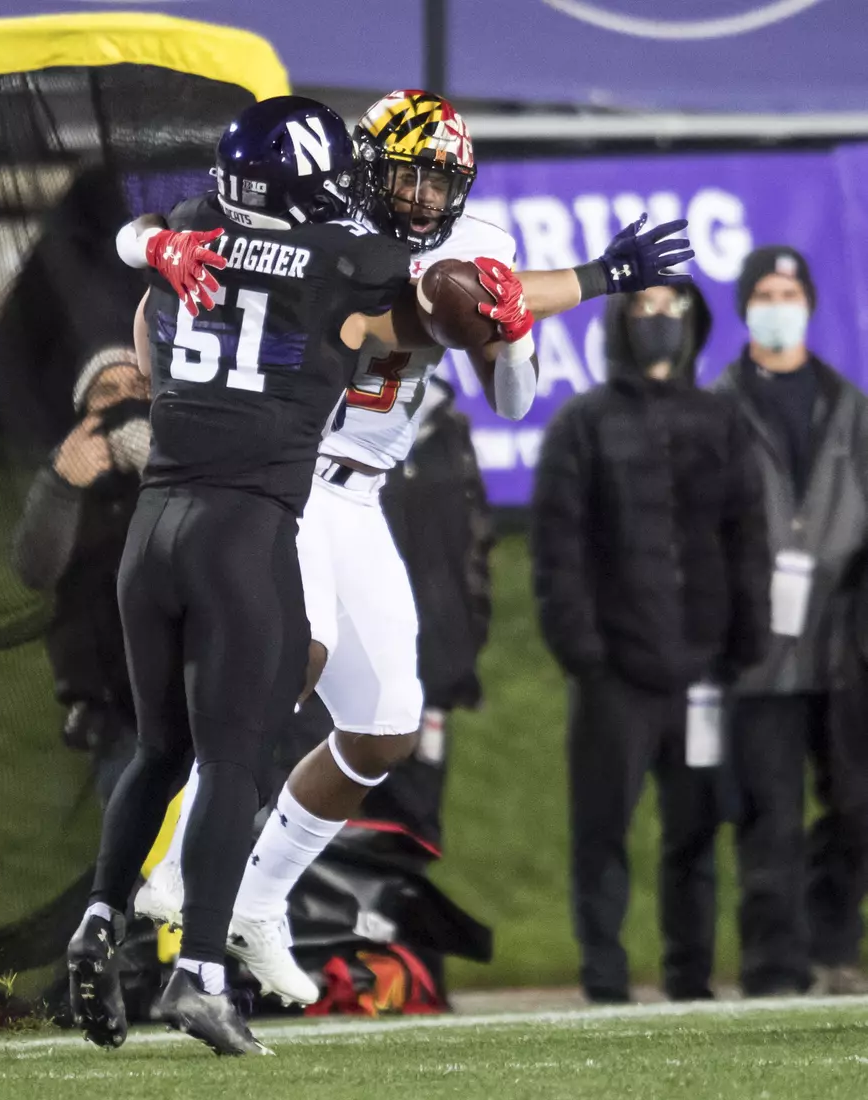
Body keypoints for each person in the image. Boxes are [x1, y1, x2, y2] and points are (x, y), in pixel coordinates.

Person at [121, 89, 696, 1007]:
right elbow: (429, 291)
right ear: (364, 167)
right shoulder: (325, 228)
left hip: (364, 492)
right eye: (408, 176)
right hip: (286, 469)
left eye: (439, 182)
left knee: (384, 728)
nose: (423, 198)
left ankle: (259, 903)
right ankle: (182, 867)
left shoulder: (479, 242)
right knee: (289, 661)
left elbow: (511, 397)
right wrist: (590, 278)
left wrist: (512, 334)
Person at [65, 94, 441, 1058]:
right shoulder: (345, 260)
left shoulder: (192, 229)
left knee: (160, 751)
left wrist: (152, 246)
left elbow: (139, 242)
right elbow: (435, 302)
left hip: (154, 527)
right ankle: (198, 972)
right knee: (233, 759)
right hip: (244, 528)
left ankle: (100, 917)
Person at [531, 283, 771, 1004]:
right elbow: (558, 553)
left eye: (673, 308)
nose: (660, 320)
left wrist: (744, 642)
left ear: (692, 321)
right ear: (620, 321)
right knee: (601, 832)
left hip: (703, 671)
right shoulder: (582, 424)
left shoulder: (722, 421)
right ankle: (605, 982)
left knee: (696, 834)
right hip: (614, 677)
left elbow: (747, 537)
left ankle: (690, 981)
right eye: (644, 308)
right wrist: (584, 653)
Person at [715, 247, 868, 997]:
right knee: (768, 817)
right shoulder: (721, 408)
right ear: (746, 307)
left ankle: (834, 944)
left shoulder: (849, 406)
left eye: (789, 292)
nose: (779, 305)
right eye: (766, 294)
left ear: (808, 302)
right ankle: (773, 967)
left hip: (843, 649)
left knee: (858, 807)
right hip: (758, 650)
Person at [11, 349, 149, 804]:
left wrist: (158, 466)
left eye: (139, 387)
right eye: (107, 391)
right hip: (116, 712)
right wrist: (64, 485)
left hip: (197, 697)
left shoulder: (190, 465)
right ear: (84, 411)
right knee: (138, 833)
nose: (125, 400)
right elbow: (35, 569)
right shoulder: (67, 471)